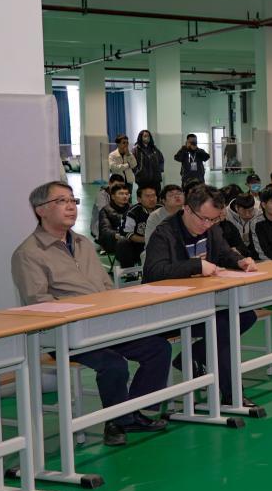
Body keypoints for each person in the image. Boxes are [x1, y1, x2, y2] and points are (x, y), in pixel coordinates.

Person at [12, 181, 170, 446]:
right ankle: (117, 421)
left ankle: (132, 411)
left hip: (102, 324)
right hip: (64, 333)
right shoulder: (28, 253)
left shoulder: (82, 243)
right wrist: (83, 312)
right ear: (41, 210)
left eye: (73, 201)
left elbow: (105, 285)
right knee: (114, 364)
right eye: (61, 201)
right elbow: (38, 303)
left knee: (158, 348)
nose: (71, 207)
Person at [143, 184, 260, 410]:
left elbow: (224, 253)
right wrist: (196, 265)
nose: (207, 225)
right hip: (166, 309)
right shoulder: (164, 233)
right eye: (204, 219)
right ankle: (232, 393)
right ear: (187, 209)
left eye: (213, 220)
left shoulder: (211, 229)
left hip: (199, 304)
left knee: (245, 316)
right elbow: (154, 271)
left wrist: (239, 261)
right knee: (223, 325)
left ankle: (192, 356)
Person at [119, 184, 158, 268]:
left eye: (153, 195)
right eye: (147, 196)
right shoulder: (132, 213)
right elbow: (128, 233)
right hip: (138, 246)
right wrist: (148, 240)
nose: (151, 199)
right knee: (123, 243)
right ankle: (129, 272)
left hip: (161, 245)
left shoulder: (162, 209)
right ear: (139, 199)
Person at [96, 182, 133, 261]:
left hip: (132, 238)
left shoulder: (133, 208)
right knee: (124, 243)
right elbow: (105, 230)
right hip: (112, 241)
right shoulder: (105, 210)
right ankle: (128, 267)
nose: (125, 196)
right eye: (121, 194)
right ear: (113, 196)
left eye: (127, 194)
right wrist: (118, 235)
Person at [133, 129, 165, 197]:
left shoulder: (154, 148)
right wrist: (138, 172)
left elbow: (161, 159)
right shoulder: (136, 149)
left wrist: (160, 169)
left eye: (148, 136)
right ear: (141, 137)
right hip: (143, 179)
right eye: (145, 136)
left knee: (157, 196)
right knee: (145, 196)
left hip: (155, 179)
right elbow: (132, 163)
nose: (147, 138)